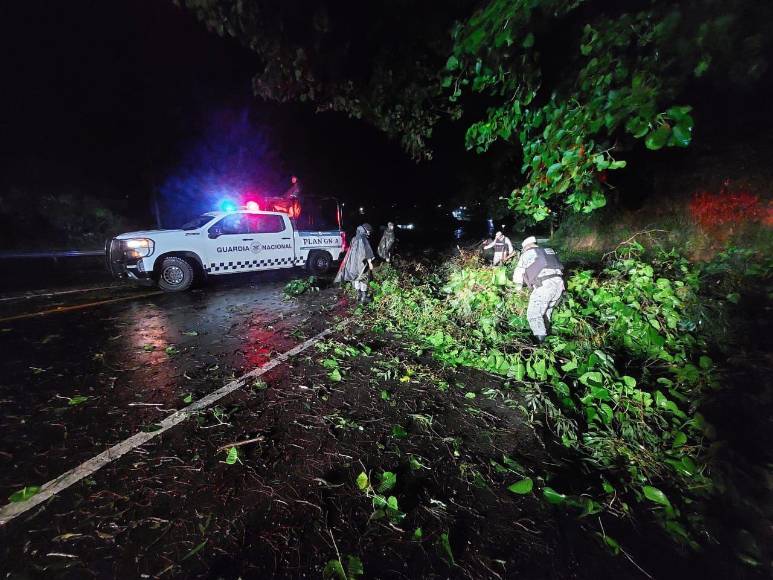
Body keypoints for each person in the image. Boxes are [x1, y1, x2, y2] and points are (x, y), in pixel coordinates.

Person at [512, 236, 564, 343]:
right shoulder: (547, 251)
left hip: (545, 286)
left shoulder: (527, 254)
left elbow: (518, 273)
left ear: (526, 247)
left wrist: (518, 289)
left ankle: (541, 343)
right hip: (559, 285)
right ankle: (547, 334)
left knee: (533, 314)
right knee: (546, 312)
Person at [334, 223, 375, 303]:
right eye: (369, 231)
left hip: (353, 264)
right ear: (366, 230)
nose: (369, 233)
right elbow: (368, 252)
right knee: (364, 279)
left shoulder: (354, 238)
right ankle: (364, 298)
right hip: (362, 264)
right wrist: (370, 263)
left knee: (356, 278)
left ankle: (358, 296)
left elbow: (350, 251)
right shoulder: (364, 239)